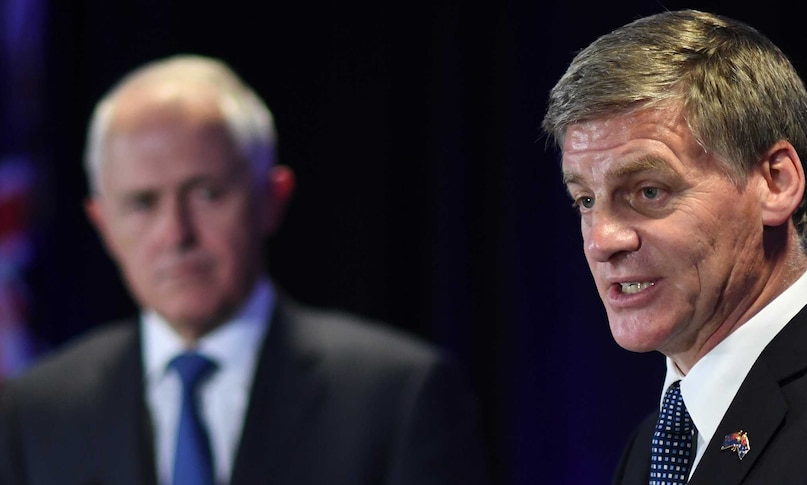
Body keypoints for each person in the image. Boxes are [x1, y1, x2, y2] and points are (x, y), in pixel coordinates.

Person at [0, 54, 489, 485]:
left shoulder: (398, 398)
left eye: (206, 193)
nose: (176, 234)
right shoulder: (33, 413)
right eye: (142, 204)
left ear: (271, 199)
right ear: (102, 225)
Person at [542, 9, 807, 485]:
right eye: (586, 200)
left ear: (775, 183)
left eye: (649, 191)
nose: (602, 240)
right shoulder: (651, 446)